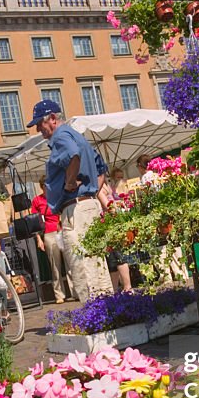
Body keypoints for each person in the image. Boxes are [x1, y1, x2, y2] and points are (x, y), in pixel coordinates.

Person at [31, 99, 114, 298]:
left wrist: (69, 183)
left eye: (39, 124)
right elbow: (101, 168)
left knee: (81, 263)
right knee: (97, 261)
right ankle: (109, 309)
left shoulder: (60, 136)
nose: (38, 130)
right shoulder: (77, 135)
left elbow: (73, 156)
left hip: (75, 207)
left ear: (52, 119)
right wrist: (92, 192)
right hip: (88, 204)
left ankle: (93, 313)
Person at [32, 177, 74, 303]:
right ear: (41, 187)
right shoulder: (37, 200)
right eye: (45, 186)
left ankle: (75, 291)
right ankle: (59, 294)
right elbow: (35, 222)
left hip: (61, 230)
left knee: (69, 262)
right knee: (55, 265)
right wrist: (39, 239)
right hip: (49, 233)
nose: (48, 188)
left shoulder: (57, 196)